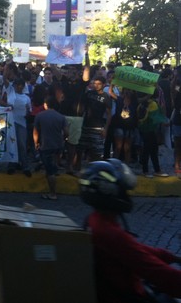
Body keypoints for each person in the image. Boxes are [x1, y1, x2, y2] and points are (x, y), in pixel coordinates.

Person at [79, 159, 181, 303]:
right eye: (124, 191)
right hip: (128, 295)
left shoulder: (94, 220)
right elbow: (156, 271)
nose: (127, 195)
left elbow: (135, 249)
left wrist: (171, 257)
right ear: (110, 192)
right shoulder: (111, 233)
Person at [33, 96, 68, 200]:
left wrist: (36, 143)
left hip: (46, 145)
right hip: (58, 145)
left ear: (45, 105)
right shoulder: (61, 117)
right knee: (54, 167)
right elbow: (66, 132)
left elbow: (35, 132)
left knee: (50, 171)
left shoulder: (39, 116)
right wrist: (63, 139)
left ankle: (53, 194)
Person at [137, 90, 169, 178]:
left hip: (143, 129)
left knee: (148, 149)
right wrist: (164, 121)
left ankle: (148, 170)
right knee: (152, 150)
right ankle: (152, 170)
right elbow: (155, 117)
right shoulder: (153, 104)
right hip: (150, 129)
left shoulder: (142, 103)